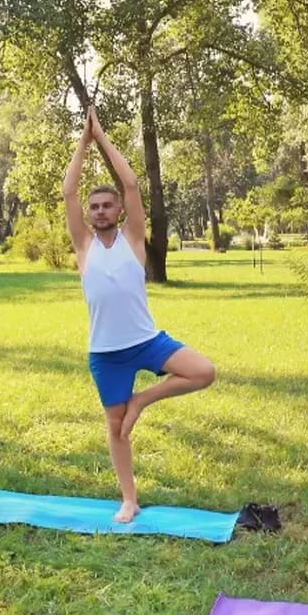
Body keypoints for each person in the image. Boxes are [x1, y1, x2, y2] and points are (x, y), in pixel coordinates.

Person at [63, 107, 216, 523]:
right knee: (116, 429)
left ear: (119, 211)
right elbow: (68, 192)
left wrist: (103, 138)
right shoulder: (83, 247)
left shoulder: (133, 239)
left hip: (146, 342)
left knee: (203, 371)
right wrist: (83, 140)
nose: (98, 211)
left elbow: (130, 183)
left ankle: (142, 400)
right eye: (94, 206)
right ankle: (129, 499)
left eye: (106, 205)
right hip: (106, 353)